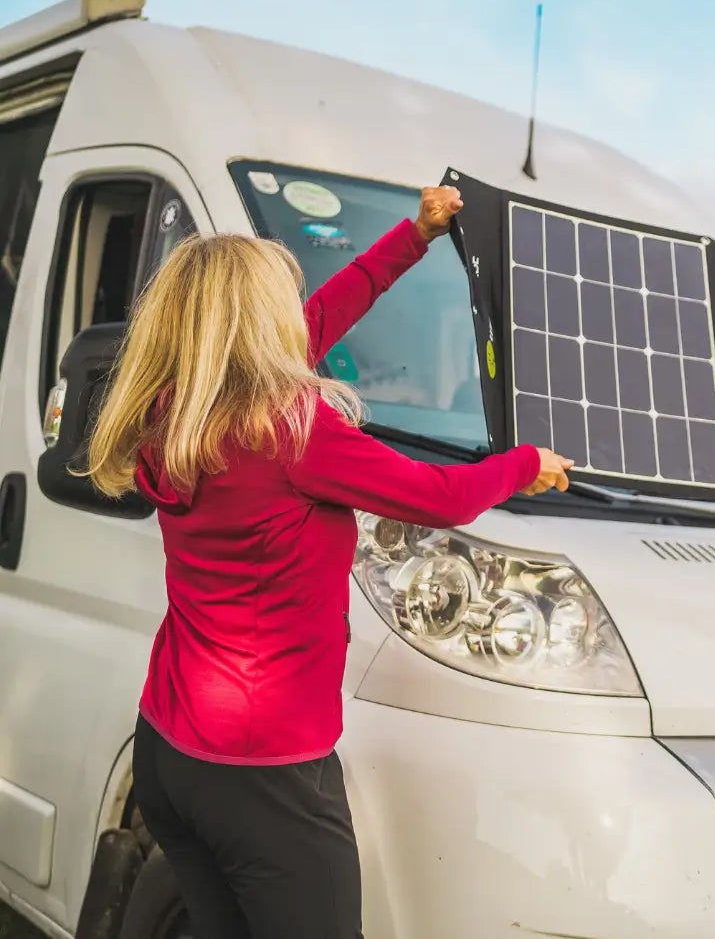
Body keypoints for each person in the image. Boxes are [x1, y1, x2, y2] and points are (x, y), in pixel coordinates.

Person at [83, 185, 574, 939]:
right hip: (265, 773)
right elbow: (440, 496)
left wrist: (415, 236)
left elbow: (323, 317)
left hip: (169, 752)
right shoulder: (290, 431)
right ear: (258, 326)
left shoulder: (173, 410)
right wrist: (523, 464)